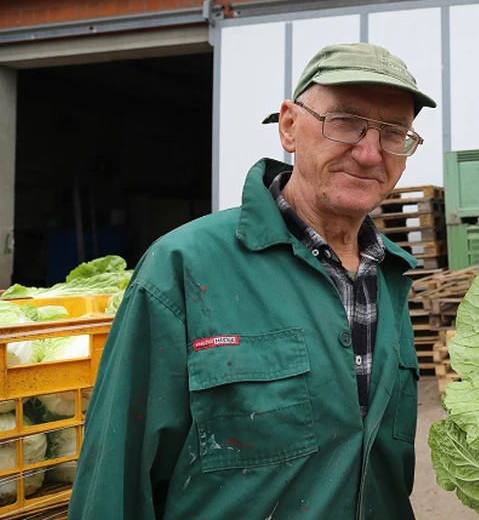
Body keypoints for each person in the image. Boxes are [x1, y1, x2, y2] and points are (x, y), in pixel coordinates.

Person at [69, 43, 437, 519]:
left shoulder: (390, 277)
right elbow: (113, 482)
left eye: (394, 133)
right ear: (289, 125)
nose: (369, 153)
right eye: (344, 121)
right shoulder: (183, 267)